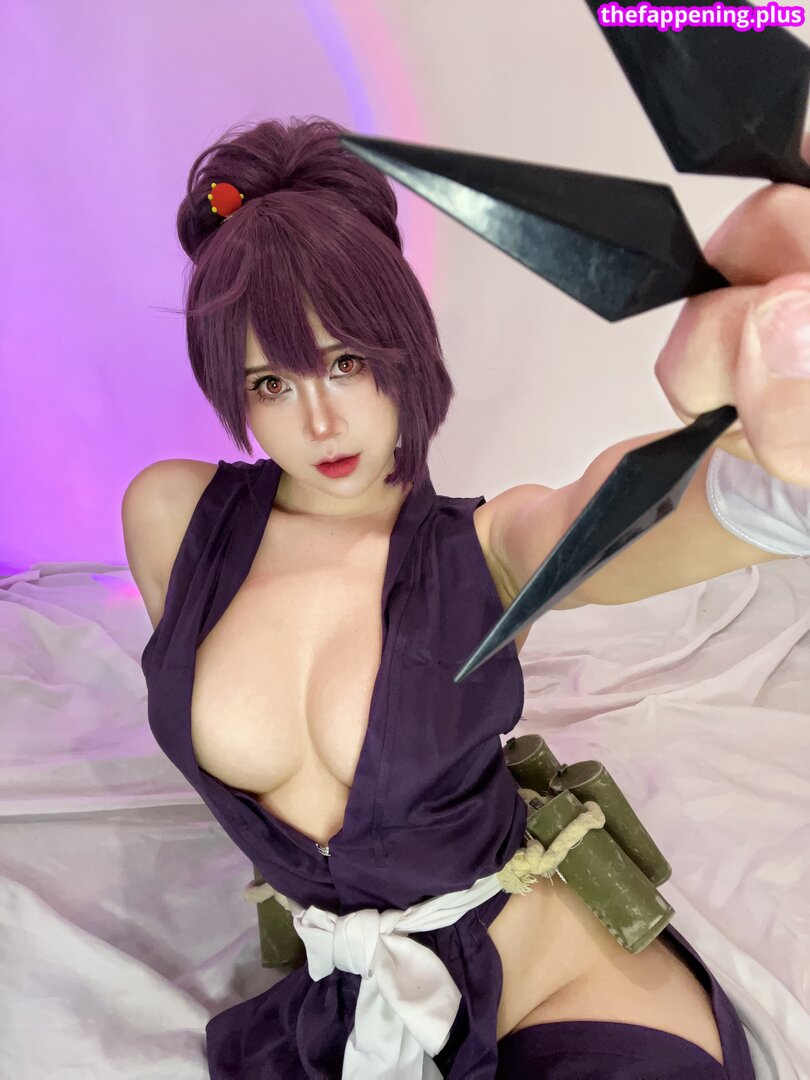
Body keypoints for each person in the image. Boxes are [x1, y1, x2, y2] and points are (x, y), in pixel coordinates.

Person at [123, 115, 809, 1078]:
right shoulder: (174, 519)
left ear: (402, 349)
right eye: (271, 382)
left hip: (559, 981)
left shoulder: (481, 552)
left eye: (347, 362)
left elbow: (609, 516)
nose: (320, 419)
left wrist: (769, 469)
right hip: (360, 998)